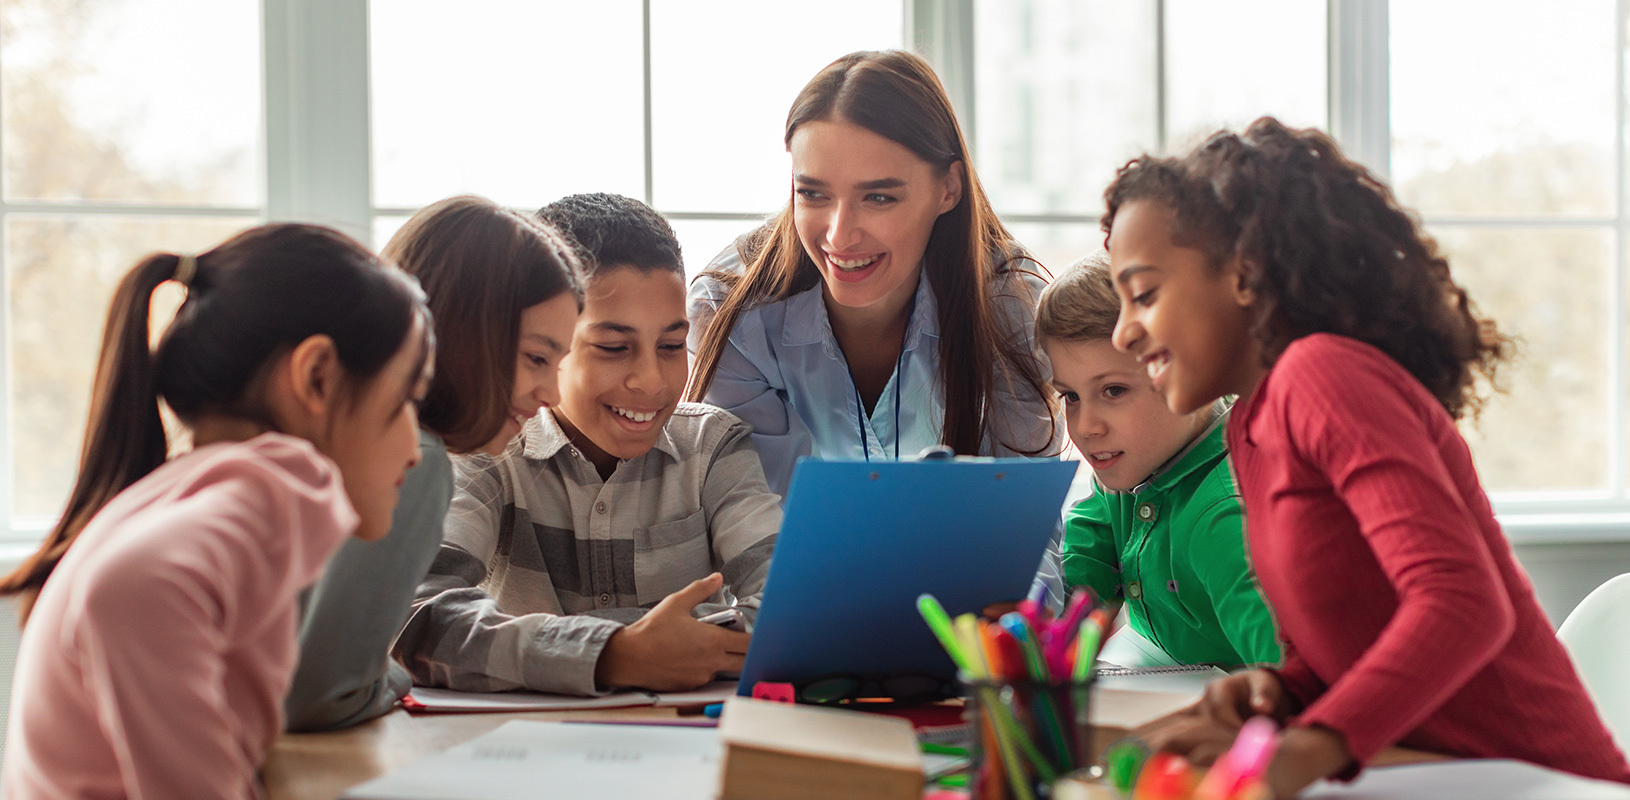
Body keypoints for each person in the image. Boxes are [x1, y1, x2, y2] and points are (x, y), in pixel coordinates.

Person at [1105, 117, 1630, 795]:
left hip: (1541, 783)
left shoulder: (1323, 376)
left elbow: (1463, 603)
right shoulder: (1251, 429)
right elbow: (1338, 652)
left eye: (1144, 293)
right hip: (1437, 776)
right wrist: (1276, 692)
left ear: (1242, 273)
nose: (1124, 330)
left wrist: (1307, 750)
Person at [0, 224, 431, 798]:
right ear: (317, 378)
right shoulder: (259, 492)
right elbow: (131, 588)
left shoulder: (196, 486)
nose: (414, 448)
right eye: (407, 399)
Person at [396, 193, 779, 695]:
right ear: (551, 342)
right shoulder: (488, 451)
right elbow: (419, 620)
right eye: (614, 348)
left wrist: (654, 647)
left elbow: (785, 612)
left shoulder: (713, 447)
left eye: (670, 346)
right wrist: (615, 655)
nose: (650, 381)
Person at [686, 49, 1062, 498]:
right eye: (812, 193)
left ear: (948, 188)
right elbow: (757, 527)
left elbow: (1020, 530)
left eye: (878, 198)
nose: (839, 236)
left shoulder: (1009, 306)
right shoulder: (730, 310)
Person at [284, 196, 583, 731]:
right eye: (536, 358)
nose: (552, 394)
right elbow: (322, 695)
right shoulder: (412, 462)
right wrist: (395, 676)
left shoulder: (330, 438)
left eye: (560, 364)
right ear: (463, 333)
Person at [1038, 254, 1278, 668]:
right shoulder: (1133, 468)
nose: (1086, 426)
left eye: (1113, 390)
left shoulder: (1222, 517)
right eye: (1070, 397)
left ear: (1191, 368)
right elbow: (1090, 549)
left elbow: (1287, 673)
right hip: (1160, 671)